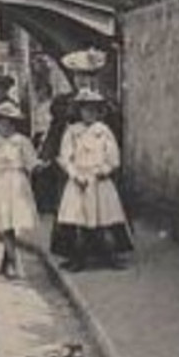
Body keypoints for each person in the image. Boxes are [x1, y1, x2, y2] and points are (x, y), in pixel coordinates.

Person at [54, 89, 133, 271]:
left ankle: (111, 256)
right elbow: (65, 157)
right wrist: (75, 175)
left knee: (105, 219)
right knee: (79, 221)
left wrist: (104, 170)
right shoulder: (73, 131)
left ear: (98, 112)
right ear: (79, 111)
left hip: (99, 180)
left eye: (93, 110)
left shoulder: (103, 131)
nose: (89, 114)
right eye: (85, 110)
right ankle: (78, 258)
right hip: (79, 180)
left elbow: (113, 157)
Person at [0, 101, 39, 279]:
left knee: (13, 224)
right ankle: (14, 262)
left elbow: (31, 162)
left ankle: (6, 263)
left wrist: (40, 166)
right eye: (2, 123)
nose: (5, 126)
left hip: (17, 182)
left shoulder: (21, 142)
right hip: (0, 183)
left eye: (9, 123)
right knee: (5, 225)